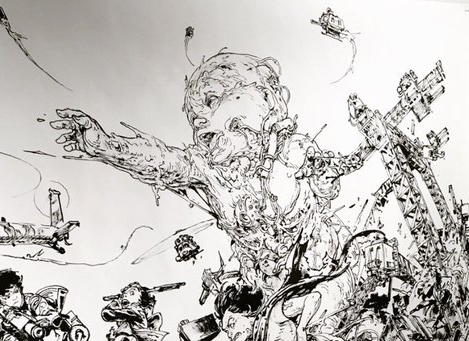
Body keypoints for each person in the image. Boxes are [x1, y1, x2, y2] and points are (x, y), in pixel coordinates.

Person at [51, 52, 354, 294]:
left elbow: (330, 180)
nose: (200, 121)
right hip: (272, 288)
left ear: (264, 99)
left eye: (212, 101)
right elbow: (162, 161)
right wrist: (105, 146)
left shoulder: (293, 150)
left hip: (328, 265)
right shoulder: (207, 168)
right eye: (196, 117)